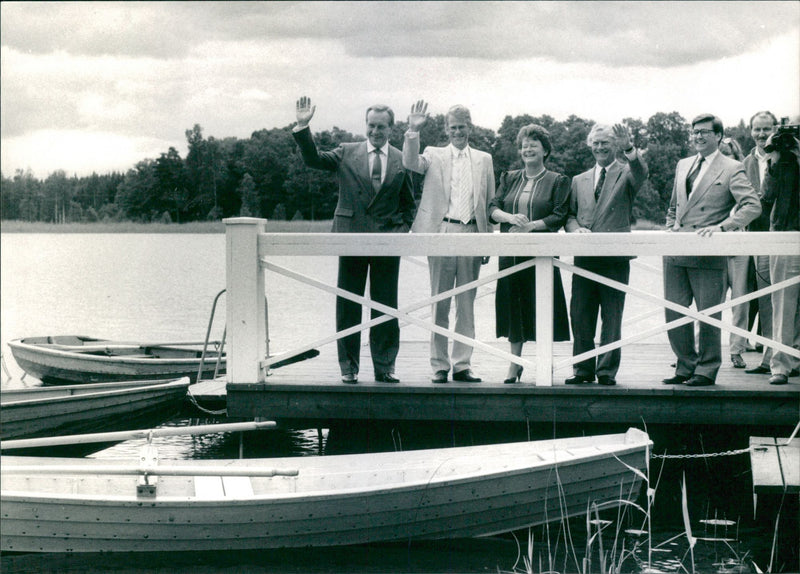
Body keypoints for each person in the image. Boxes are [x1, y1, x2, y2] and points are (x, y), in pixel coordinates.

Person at [292, 97, 416, 384]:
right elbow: (313, 159)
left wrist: (402, 230)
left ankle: (385, 367)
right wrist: (302, 127)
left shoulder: (401, 159)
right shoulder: (347, 152)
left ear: (391, 128)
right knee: (348, 303)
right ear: (366, 126)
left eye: (381, 126)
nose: (375, 131)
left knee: (386, 305)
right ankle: (348, 367)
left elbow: (409, 203)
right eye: (371, 125)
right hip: (349, 237)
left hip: (387, 242)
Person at [662, 113, 761, 387]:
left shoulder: (731, 167)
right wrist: (671, 226)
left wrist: (724, 227)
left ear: (718, 135)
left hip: (708, 249)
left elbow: (752, 206)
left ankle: (706, 369)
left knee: (708, 313)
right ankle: (685, 365)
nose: (699, 137)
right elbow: (674, 206)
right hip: (677, 249)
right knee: (673, 310)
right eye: (695, 132)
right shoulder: (683, 165)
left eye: (705, 132)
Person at [403, 100, 495, 384]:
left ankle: (463, 364)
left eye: (462, 127)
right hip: (441, 232)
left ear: (470, 128)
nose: (458, 132)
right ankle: (440, 365)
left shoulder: (484, 159)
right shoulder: (433, 154)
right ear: (446, 129)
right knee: (440, 304)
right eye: (453, 127)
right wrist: (412, 132)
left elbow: (489, 201)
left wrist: (486, 241)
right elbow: (409, 162)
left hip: (471, 233)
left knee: (466, 304)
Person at [565, 124, 649, 386]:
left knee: (612, 317)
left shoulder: (626, 173)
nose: (600, 147)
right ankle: (582, 369)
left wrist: (629, 149)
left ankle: (606, 371)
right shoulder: (579, 180)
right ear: (590, 145)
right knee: (580, 315)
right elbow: (569, 215)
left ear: (614, 146)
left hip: (615, 258)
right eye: (596, 143)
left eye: (605, 143)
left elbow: (641, 172)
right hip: (584, 257)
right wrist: (575, 228)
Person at [488, 124, 571, 384]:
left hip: (542, 255)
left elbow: (559, 215)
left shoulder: (558, 180)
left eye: (534, 144)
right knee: (514, 309)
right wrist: (508, 217)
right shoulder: (509, 177)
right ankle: (515, 365)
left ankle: (545, 364)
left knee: (543, 306)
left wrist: (530, 226)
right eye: (524, 145)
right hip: (511, 254)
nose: (528, 148)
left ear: (545, 150)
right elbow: (492, 207)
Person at [761, 126, 800, 385]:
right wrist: (772, 161)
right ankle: (781, 364)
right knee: (783, 304)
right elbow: (766, 196)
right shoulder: (779, 160)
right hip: (786, 234)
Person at [742, 111, 779, 376]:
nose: (761, 134)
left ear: (775, 130)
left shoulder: (788, 159)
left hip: (785, 235)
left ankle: (789, 357)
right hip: (756, 237)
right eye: (757, 129)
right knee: (764, 299)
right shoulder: (745, 163)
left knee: (789, 299)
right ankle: (769, 358)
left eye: (766, 129)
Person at [718, 136, 752, 369]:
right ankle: (701, 350)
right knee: (709, 302)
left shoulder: (742, 181)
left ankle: (736, 350)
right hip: (715, 249)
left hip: (739, 247)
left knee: (740, 301)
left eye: (728, 154)